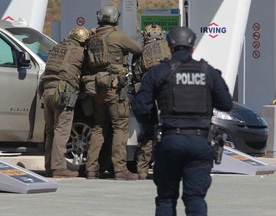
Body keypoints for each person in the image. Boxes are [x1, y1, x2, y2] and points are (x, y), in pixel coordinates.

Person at [132, 26, 233, 215]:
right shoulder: (208, 72)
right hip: (200, 142)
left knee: (166, 198)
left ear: (169, 47)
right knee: (195, 197)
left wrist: (154, 123)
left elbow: (140, 107)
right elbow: (226, 104)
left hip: (170, 140)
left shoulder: (158, 72)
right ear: (192, 47)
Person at [85, 4, 142, 180]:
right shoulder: (117, 36)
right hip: (115, 87)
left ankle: (91, 170)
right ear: (115, 19)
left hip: (96, 87)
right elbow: (138, 49)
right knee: (120, 126)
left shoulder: (92, 37)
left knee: (99, 127)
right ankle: (120, 170)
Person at [39, 26, 90, 178]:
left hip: (47, 90)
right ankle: (59, 167)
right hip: (63, 93)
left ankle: (49, 166)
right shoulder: (80, 51)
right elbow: (87, 70)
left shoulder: (56, 48)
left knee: (50, 131)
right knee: (62, 130)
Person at [131, 24, 171, 180]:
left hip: (147, 90)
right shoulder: (169, 48)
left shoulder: (141, 51)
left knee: (148, 130)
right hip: (168, 92)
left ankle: (142, 169)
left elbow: (136, 74)